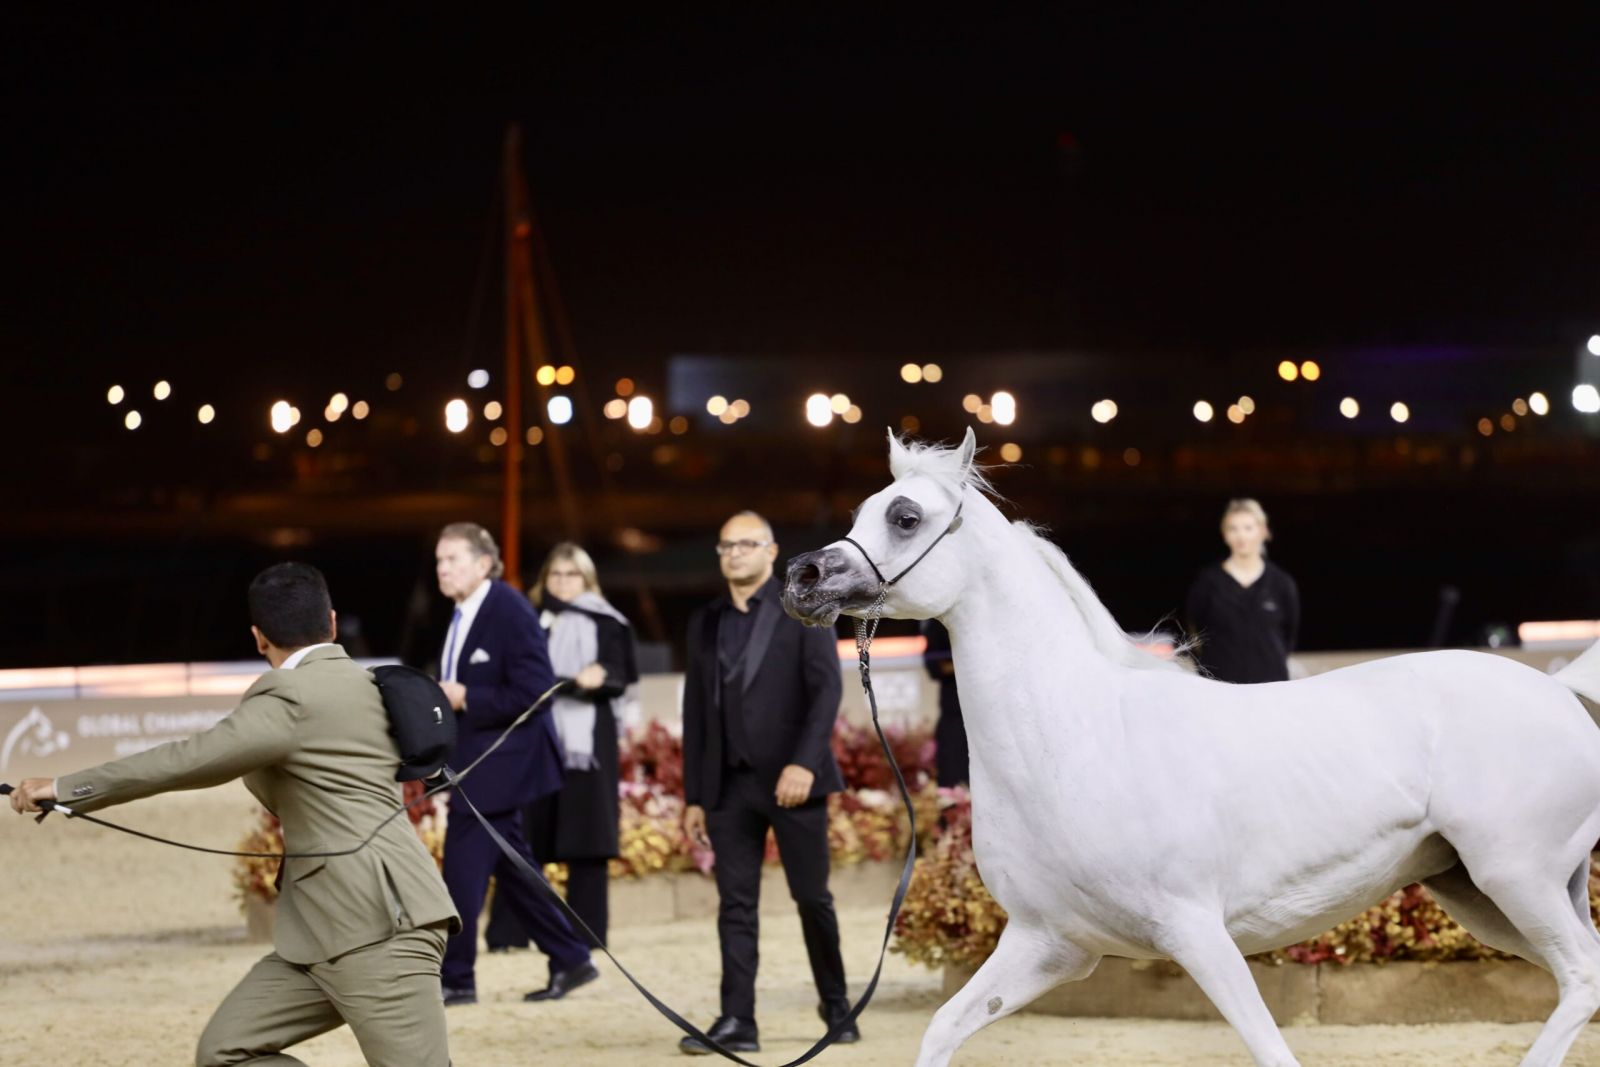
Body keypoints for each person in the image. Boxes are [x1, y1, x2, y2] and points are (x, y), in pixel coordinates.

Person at [7, 562, 461, 1066]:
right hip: (318, 933)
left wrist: (63, 787)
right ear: (332, 622)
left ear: (259, 637)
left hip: (379, 930)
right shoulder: (367, 682)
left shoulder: (289, 696)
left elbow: (187, 759)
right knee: (225, 1052)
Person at [677, 511, 856, 1055]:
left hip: (793, 783)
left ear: (771, 552)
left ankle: (836, 1004)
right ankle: (738, 1020)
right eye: (726, 546)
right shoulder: (705, 621)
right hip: (729, 788)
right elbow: (695, 713)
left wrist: (804, 764)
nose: (735, 553)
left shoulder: (804, 608)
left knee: (812, 898)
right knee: (735, 905)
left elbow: (826, 692)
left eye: (746, 544)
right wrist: (694, 795)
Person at [432, 522, 598, 1006]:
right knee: (514, 869)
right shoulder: (463, 611)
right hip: (480, 763)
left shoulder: (508, 608)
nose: (442, 569)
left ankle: (456, 978)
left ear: (484, 563)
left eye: (452, 560)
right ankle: (571, 958)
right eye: (439, 561)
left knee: (462, 868)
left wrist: (468, 697)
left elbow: (537, 690)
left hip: (501, 764)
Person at [485, 542, 638, 951]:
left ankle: (587, 937)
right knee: (523, 836)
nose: (564, 582)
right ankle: (509, 935)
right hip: (535, 738)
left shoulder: (607, 621)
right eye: (556, 574)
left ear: (587, 580)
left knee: (587, 841)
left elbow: (621, 675)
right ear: (544, 580)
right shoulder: (530, 618)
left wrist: (600, 676)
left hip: (588, 748)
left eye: (573, 575)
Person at [1184, 498, 1301, 683]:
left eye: (1248, 528)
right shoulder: (1208, 582)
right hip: (1220, 687)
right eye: (1233, 528)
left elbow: (1290, 634)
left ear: (1263, 531)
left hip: (1271, 686)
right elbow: (1192, 630)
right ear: (1224, 534)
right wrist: (1207, 671)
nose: (1241, 536)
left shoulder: (1281, 583)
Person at [920, 618, 969, 787]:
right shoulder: (938, 624)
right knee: (952, 768)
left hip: (985, 710)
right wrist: (965, 663)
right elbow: (933, 666)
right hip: (953, 710)